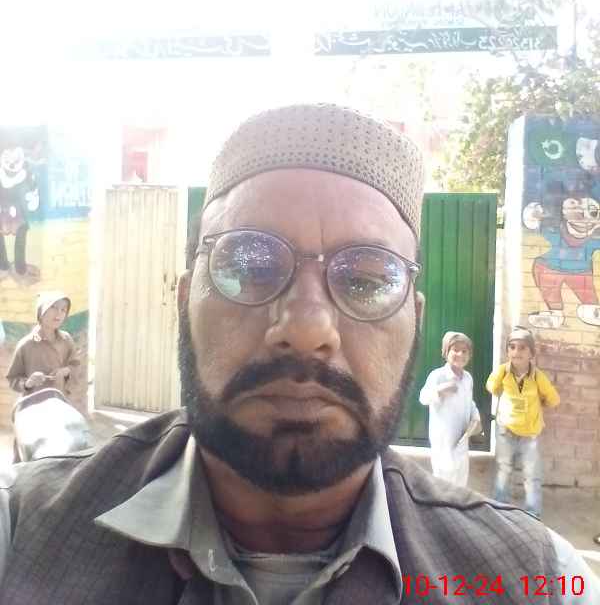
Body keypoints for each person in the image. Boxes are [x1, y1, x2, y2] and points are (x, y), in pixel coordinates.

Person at [0, 104, 597, 604]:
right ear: (185, 302)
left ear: (415, 321)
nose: (307, 329)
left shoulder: (538, 580)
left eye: (366, 280)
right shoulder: (22, 535)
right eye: (249, 267)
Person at [486, 325, 560, 519]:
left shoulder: (537, 377)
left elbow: (553, 399)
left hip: (530, 434)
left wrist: (539, 403)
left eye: (522, 348)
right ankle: (500, 508)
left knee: (531, 475)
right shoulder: (503, 371)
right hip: (505, 430)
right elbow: (491, 386)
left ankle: (532, 513)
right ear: (507, 351)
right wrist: (500, 386)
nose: (516, 351)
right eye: (512, 347)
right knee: (503, 469)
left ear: (531, 353)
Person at [418, 331, 480, 486]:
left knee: (460, 478)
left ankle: (457, 501)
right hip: (443, 438)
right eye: (455, 350)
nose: (460, 354)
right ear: (446, 352)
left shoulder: (467, 378)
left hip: (461, 438)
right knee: (443, 479)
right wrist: (440, 390)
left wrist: (475, 418)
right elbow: (423, 398)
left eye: (464, 351)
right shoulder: (438, 376)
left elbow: (470, 402)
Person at [5, 291, 78, 398]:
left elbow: (76, 365)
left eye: (63, 310)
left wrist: (65, 371)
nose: (59, 313)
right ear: (41, 311)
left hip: (60, 401)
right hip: (33, 403)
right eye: (53, 307)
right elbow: (13, 379)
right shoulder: (26, 344)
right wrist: (28, 383)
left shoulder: (66, 340)